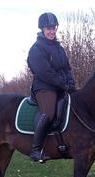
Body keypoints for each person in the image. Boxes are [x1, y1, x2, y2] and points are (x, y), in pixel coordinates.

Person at [27, 12, 75, 163]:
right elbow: (44, 72)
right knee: (48, 113)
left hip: (60, 85)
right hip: (44, 87)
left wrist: (71, 82)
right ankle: (36, 150)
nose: (51, 31)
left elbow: (66, 68)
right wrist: (63, 83)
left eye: (53, 28)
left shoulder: (59, 48)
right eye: (48, 28)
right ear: (42, 29)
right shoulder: (36, 48)